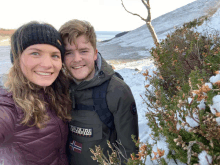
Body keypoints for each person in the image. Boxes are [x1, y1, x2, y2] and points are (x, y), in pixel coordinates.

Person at [59, 19, 139, 165]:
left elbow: (129, 153)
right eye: (69, 53)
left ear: (95, 53)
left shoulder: (117, 91)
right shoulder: (59, 88)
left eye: (83, 51)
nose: (77, 59)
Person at [0, 21, 72, 165]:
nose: (47, 64)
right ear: (17, 58)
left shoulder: (57, 93)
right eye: (35, 53)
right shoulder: (9, 103)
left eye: (55, 55)